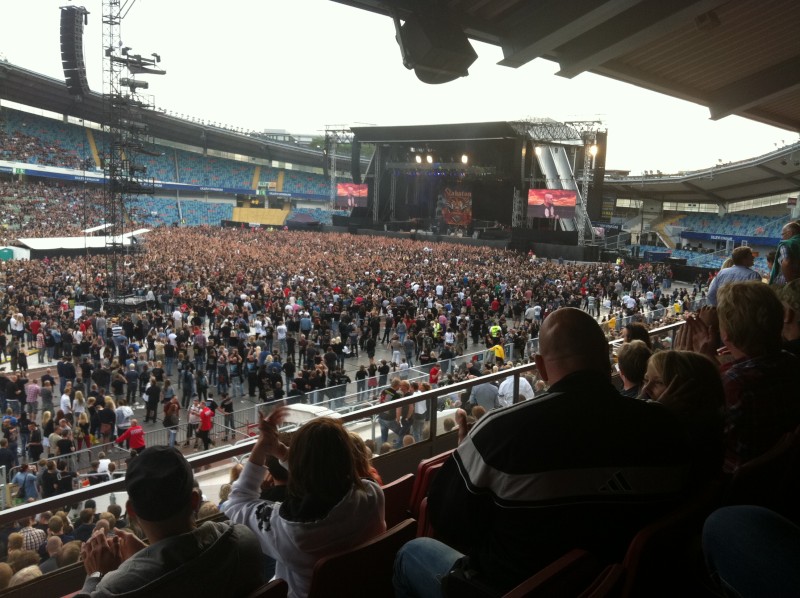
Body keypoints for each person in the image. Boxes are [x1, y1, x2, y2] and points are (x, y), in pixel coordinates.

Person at [394, 308, 694, 596]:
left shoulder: (499, 432)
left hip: (507, 587)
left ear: (540, 365)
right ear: (608, 358)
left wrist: (466, 450)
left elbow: (445, 518)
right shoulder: (665, 424)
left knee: (412, 553)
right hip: (612, 585)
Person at [224, 409, 385, 598]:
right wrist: (282, 451)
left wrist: (263, 446)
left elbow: (237, 502)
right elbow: (323, 471)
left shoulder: (284, 529)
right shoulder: (372, 495)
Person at [76, 446, 263, 596]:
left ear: (131, 510)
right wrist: (148, 555)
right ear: (195, 500)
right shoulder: (243, 541)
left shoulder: (114, 590)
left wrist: (96, 575)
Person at [716, 282, 800, 472]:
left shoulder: (735, 383)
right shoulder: (793, 362)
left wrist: (699, 368)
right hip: (781, 480)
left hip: (731, 487)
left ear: (725, 335)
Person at [768, 220, 800, 286]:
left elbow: (786, 262)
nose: (782, 237)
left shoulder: (787, 244)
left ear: (790, 233)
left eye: (783, 234)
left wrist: (790, 283)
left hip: (788, 284)